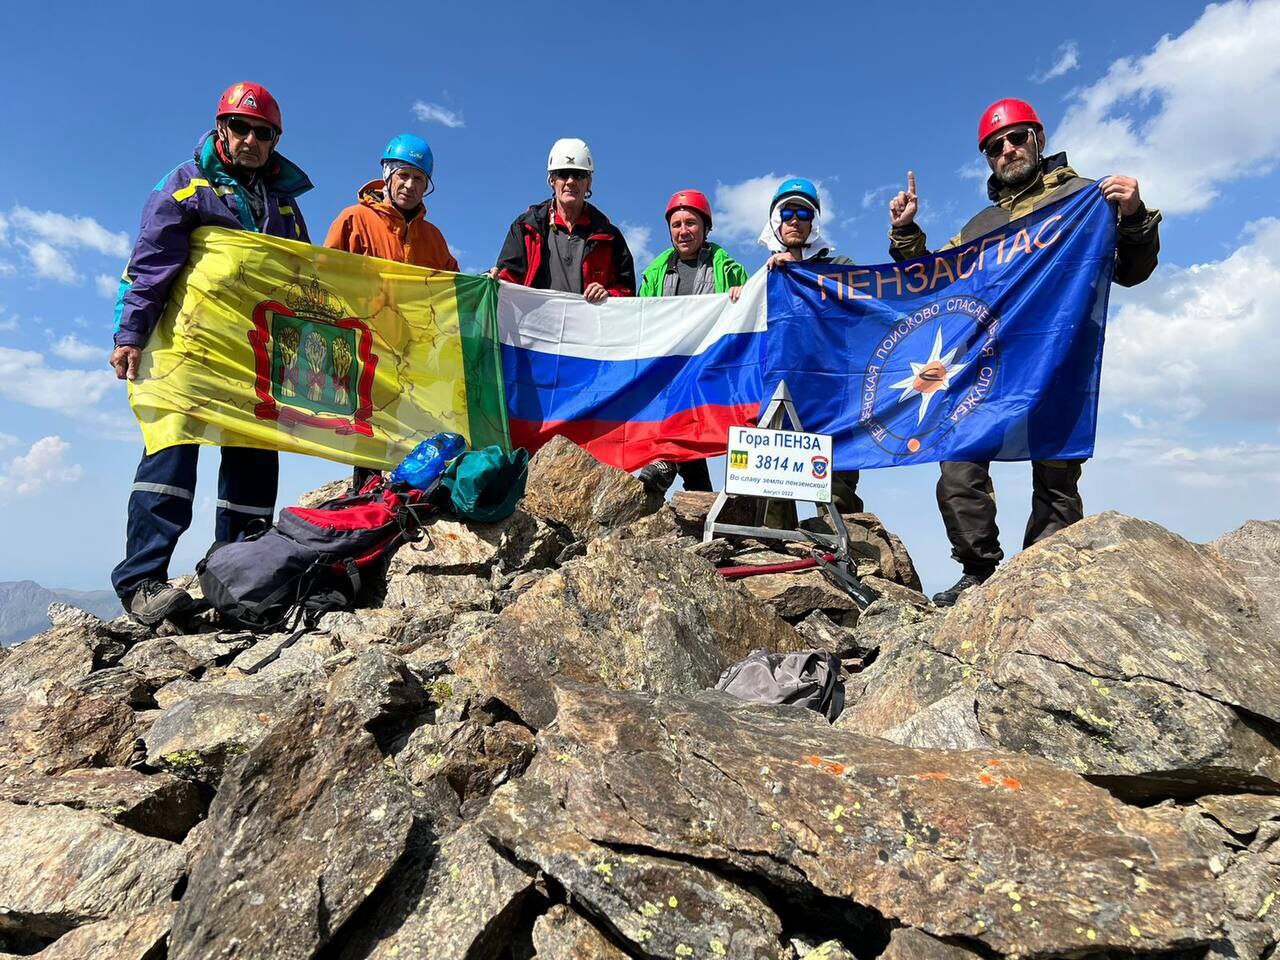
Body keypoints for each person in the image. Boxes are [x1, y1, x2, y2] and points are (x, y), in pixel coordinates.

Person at [886, 97, 1161, 607]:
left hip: (1058, 361)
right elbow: (933, 282)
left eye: (1015, 138)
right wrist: (906, 235)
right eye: (994, 147)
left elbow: (1131, 271)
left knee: (1057, 477)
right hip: (985, 369)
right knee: (958, 463)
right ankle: (978, 573)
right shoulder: (976, 228)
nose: (1006, 150)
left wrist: (1134, 216)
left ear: (1038, 137)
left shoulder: (1087, 199)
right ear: (987, 158)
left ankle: (1045, 582)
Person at [108, 82, 313, 625]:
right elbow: (149, 266)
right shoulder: (184, 186)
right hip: (187, 348)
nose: (250, 139)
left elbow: (302, 282)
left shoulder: (285, 207)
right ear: (221, 128)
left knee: (253, 465)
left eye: (262, 133)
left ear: (274, 142)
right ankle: (142, 583)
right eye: (240, 128)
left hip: (255, 359)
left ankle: (237, 580)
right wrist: (129, 334)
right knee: (169, 458)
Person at [324, 133, 457, 492]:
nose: (410, 185)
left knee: (409, 437)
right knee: (367, 437)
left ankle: (401, 500)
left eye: (419, 178)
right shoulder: (354, 220)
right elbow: (324, 279)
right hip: (363, 351)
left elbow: (453, 290)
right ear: (386, 174)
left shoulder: (434, 238)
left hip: (412, 359)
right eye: (403, 175)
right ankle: (365, 500)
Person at [637, 189, 750, 496]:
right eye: (676, 225)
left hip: (712, 367)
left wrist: (744, 296)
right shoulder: (655, 272)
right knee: (685, 426)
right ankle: (699, 493)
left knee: (687, 417)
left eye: (691, 223)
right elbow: (642, 318)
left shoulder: (729, 268)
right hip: (669, 368)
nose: (683, 231)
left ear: (705, 227)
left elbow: (751, 311)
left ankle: (667, 462)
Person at [761, 178, 863, 515]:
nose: (794, 220)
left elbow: (858, 308)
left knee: (837, 490)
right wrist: (747, 290)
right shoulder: (765, 276)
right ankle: (778, 559)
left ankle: (845, 556)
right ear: (776, 220)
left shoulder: (841, 266)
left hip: (833, 392)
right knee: (776, 487)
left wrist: (802, 272)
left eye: (802, 212)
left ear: (813, 221)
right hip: (783, 390)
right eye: (786, 212)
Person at [492, 138, 635, 302]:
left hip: (589, 326)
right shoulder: (526, 227)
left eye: (579, 175)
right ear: (552, 180)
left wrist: (608, 294)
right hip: (536, 325)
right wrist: (493, 279)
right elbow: (507, 277)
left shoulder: (609, 236)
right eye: (563, 174)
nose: (571, 181)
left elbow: (628, 292)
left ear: (589, 182)